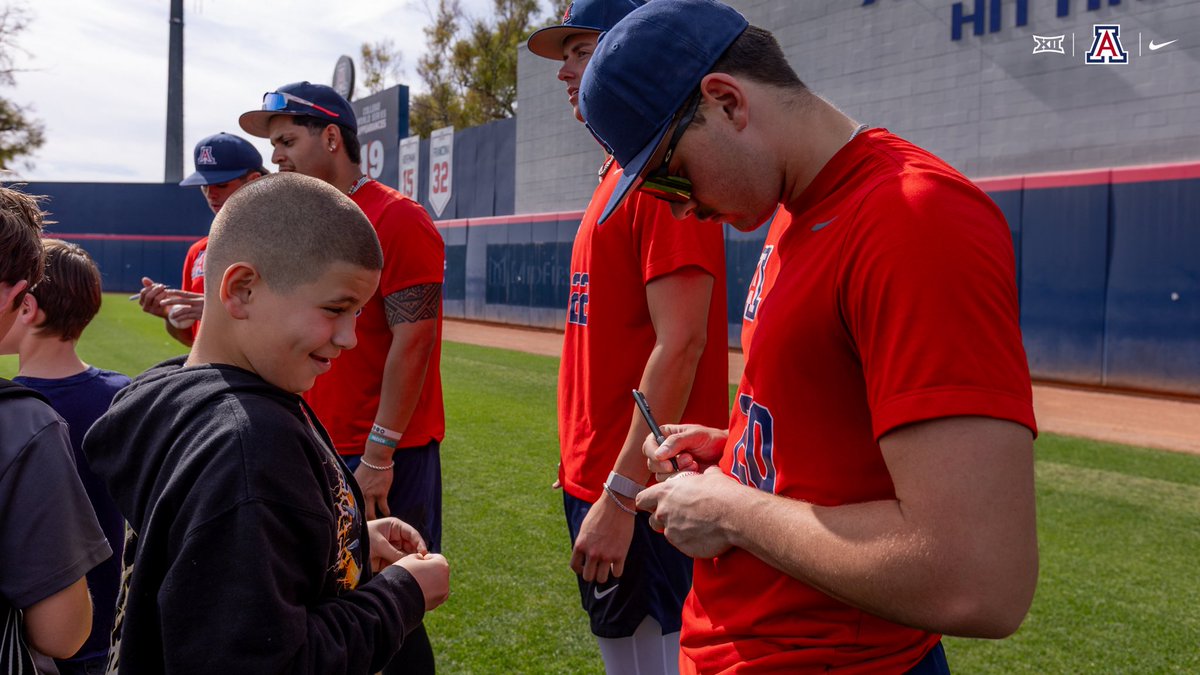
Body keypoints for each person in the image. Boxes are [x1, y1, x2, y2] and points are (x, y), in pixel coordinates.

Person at [578, 1, 1040, 672]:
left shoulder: (915, 220)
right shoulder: (797, 204)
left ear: (728, 102)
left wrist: (733, 511)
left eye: (666, 176)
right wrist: (735, 454)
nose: (678, 205)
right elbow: (835, 437)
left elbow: (979, 579)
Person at [82, 173, 450, 672]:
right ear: (242, 290)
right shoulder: (249, 444)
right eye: (335, 309)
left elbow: (225, 564)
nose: (350, 338)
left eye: (359, 314)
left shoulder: (183, 394)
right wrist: (400, 596)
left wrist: (346, 540)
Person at [525, 2, 729, 672]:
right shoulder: (618, 173)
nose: (566, 74)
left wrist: (618, 495)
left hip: (643, 482)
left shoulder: (661, 173)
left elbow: (683, 343)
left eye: (581, 52)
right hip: (606, 473)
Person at [240, 81, 446, 673]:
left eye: (286, 141)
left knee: (393, 611)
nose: (275, 156)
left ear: (332, 137)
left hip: (381, 451)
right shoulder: (304, 224)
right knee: (323, 610)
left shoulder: (397, 218)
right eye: (273, 145)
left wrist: (379, 453)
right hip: (315, 442)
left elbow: (415, 343)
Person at [0, 238, 130, 673]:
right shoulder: (127, 397)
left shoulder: (18, 417)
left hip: (31, 644)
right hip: (109, 633)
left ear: (27, 306)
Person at [136, 132, 267, 346]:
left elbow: (295, 322)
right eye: (205, 185)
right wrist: (171, 316)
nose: (210, 193)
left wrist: (220, 311)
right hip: (209, 373)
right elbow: (192, 339)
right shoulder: (199, 251)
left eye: (221, 185)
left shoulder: (281, 243)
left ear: (253, 181)